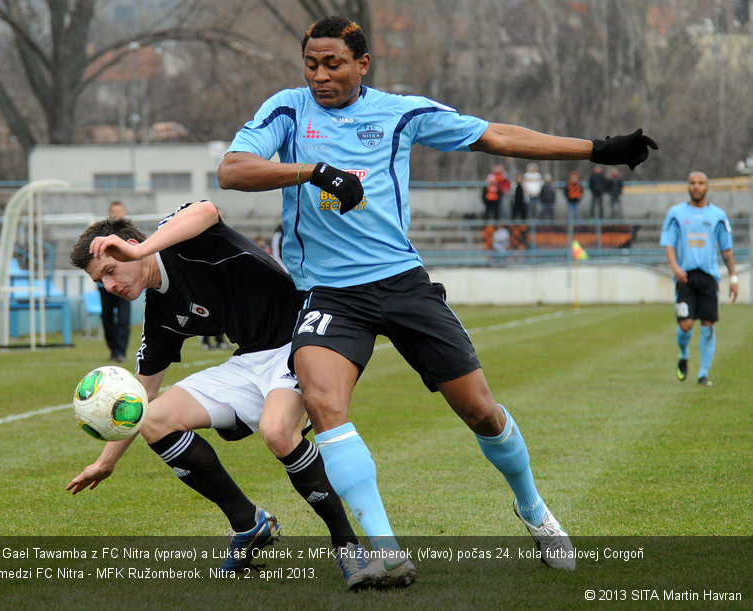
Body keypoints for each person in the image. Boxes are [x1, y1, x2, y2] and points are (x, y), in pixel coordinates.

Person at [217, 15, 657, 586]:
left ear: (362, 64)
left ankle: (532, 509)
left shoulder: (400, 113)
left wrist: (597, 149)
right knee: (326, 409)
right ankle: (385, 548)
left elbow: (494, 135)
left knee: (480, 411)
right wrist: (313, 171)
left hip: (402, 283)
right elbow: (232, 170)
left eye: (333, 64)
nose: (320, 76)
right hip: (328, 293)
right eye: (311, 64)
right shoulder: (287, 111)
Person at [66, 201, 382, 591]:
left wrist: (144, 249)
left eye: (111, 270)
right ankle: (248, 523)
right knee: (154, 418)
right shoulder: (161, 313)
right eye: (102, 282)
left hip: (302, 339)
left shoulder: (180, 240)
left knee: (278, 432)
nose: (111, 285)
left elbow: (207, 210)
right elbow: (139, 396)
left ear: (130, 245)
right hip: (251, 358)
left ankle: (348, 545)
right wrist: (106, 462)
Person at [659, 172, 738, 386]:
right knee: (685, 325)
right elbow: (669, 243)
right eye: (692, 183)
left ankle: (703, 373)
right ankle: (684, 355)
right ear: (688, 186)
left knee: (708, 325)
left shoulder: (718, 215)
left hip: (709, 278)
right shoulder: (676, 213)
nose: (696, 186)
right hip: (684, 277)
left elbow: (726, 248)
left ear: (707, 187)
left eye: (700, 183)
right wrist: (675, 267)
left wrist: (733, 277)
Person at [98, 200, 132, 362]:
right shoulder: (102, 233)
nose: (117, 214)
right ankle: (113, 350)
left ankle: (121, 352)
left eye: (119, 211)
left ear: (124, 213)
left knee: (124, 318)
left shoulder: (130, 234)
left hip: (125, 283)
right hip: (105, 285)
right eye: (114, 211)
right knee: (107, 317)